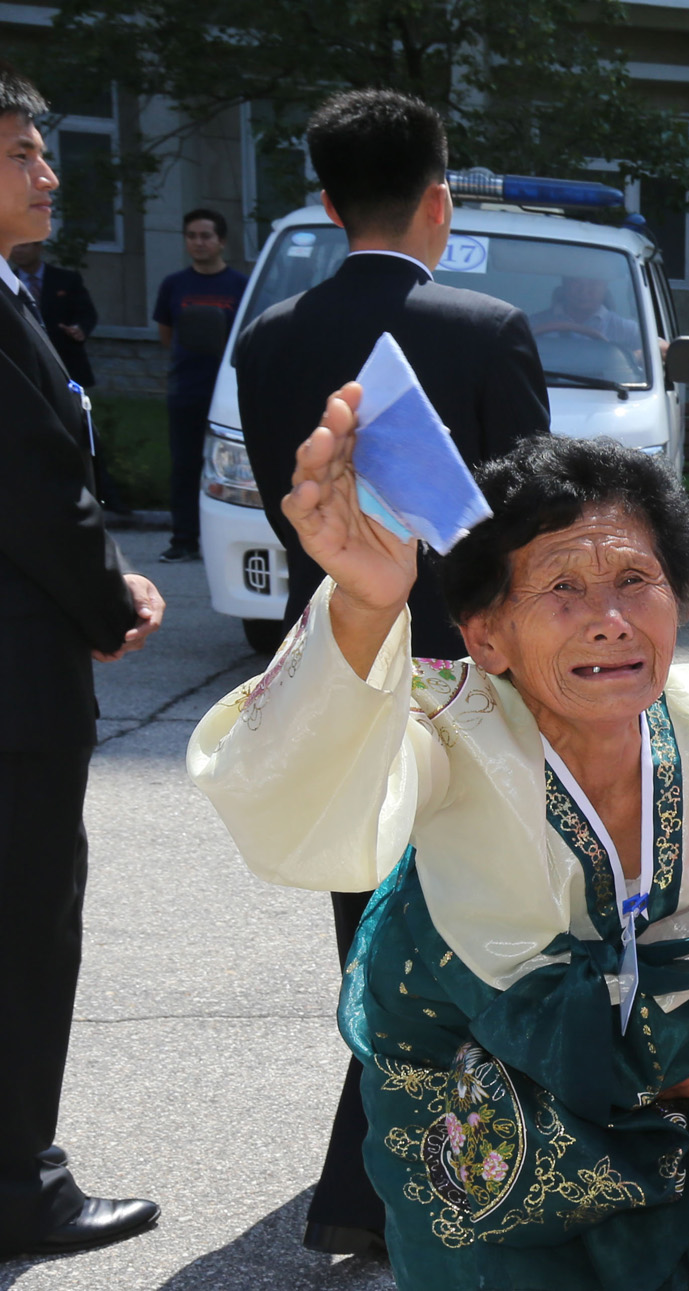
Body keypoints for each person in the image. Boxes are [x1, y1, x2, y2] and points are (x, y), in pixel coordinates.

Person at [189, 422, 689, 1290]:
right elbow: (302, 798)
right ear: (487, 637)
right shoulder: (446, 724)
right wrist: (364, 603)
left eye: (635, 579)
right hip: (499, 1132)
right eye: (563, 586)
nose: (610, 620)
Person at [230, 87, 549, 1257]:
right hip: (468, 679)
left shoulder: (268, 340)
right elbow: (531, 528)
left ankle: (378, 1175)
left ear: (326, 203)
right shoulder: (487, 329)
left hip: (340, 668)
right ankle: (392, 1181)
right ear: (440, 201)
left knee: (368, 925)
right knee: (474, 920)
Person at [0, 63, 164, 1260]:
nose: (49, 174)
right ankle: (22, 1186)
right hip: (17, 693)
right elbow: (38, 494)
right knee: (24, 928)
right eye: (20, 152)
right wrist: (113, 602)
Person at [152, 208, 249, 562]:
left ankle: (234, 540)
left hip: (228, 390)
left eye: (206, 236)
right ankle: (184, 540)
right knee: (185, 466)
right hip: (186, 389)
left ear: (221, 241)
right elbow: (167, 335)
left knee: (236, 468)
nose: (198, 242)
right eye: (191, 236)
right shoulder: (174, 285)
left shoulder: (240, 286)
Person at [8, 240, 125, 513]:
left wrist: (79, 329)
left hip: (67, 369)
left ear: (39, 246)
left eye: (25, 245)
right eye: (16, 246)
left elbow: (87, 314)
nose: (19, 250)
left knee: (81, 433)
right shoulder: (8, 282)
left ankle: (102, 495)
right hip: (26, 372)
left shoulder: (66, 280)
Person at [531, 275, 643, 353]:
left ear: (605, 286)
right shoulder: (532, 325)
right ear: (564, 283)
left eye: (594, 282)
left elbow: (648, 358)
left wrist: (636, 356)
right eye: (576, 282)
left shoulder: (629, 331)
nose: (584, 291)